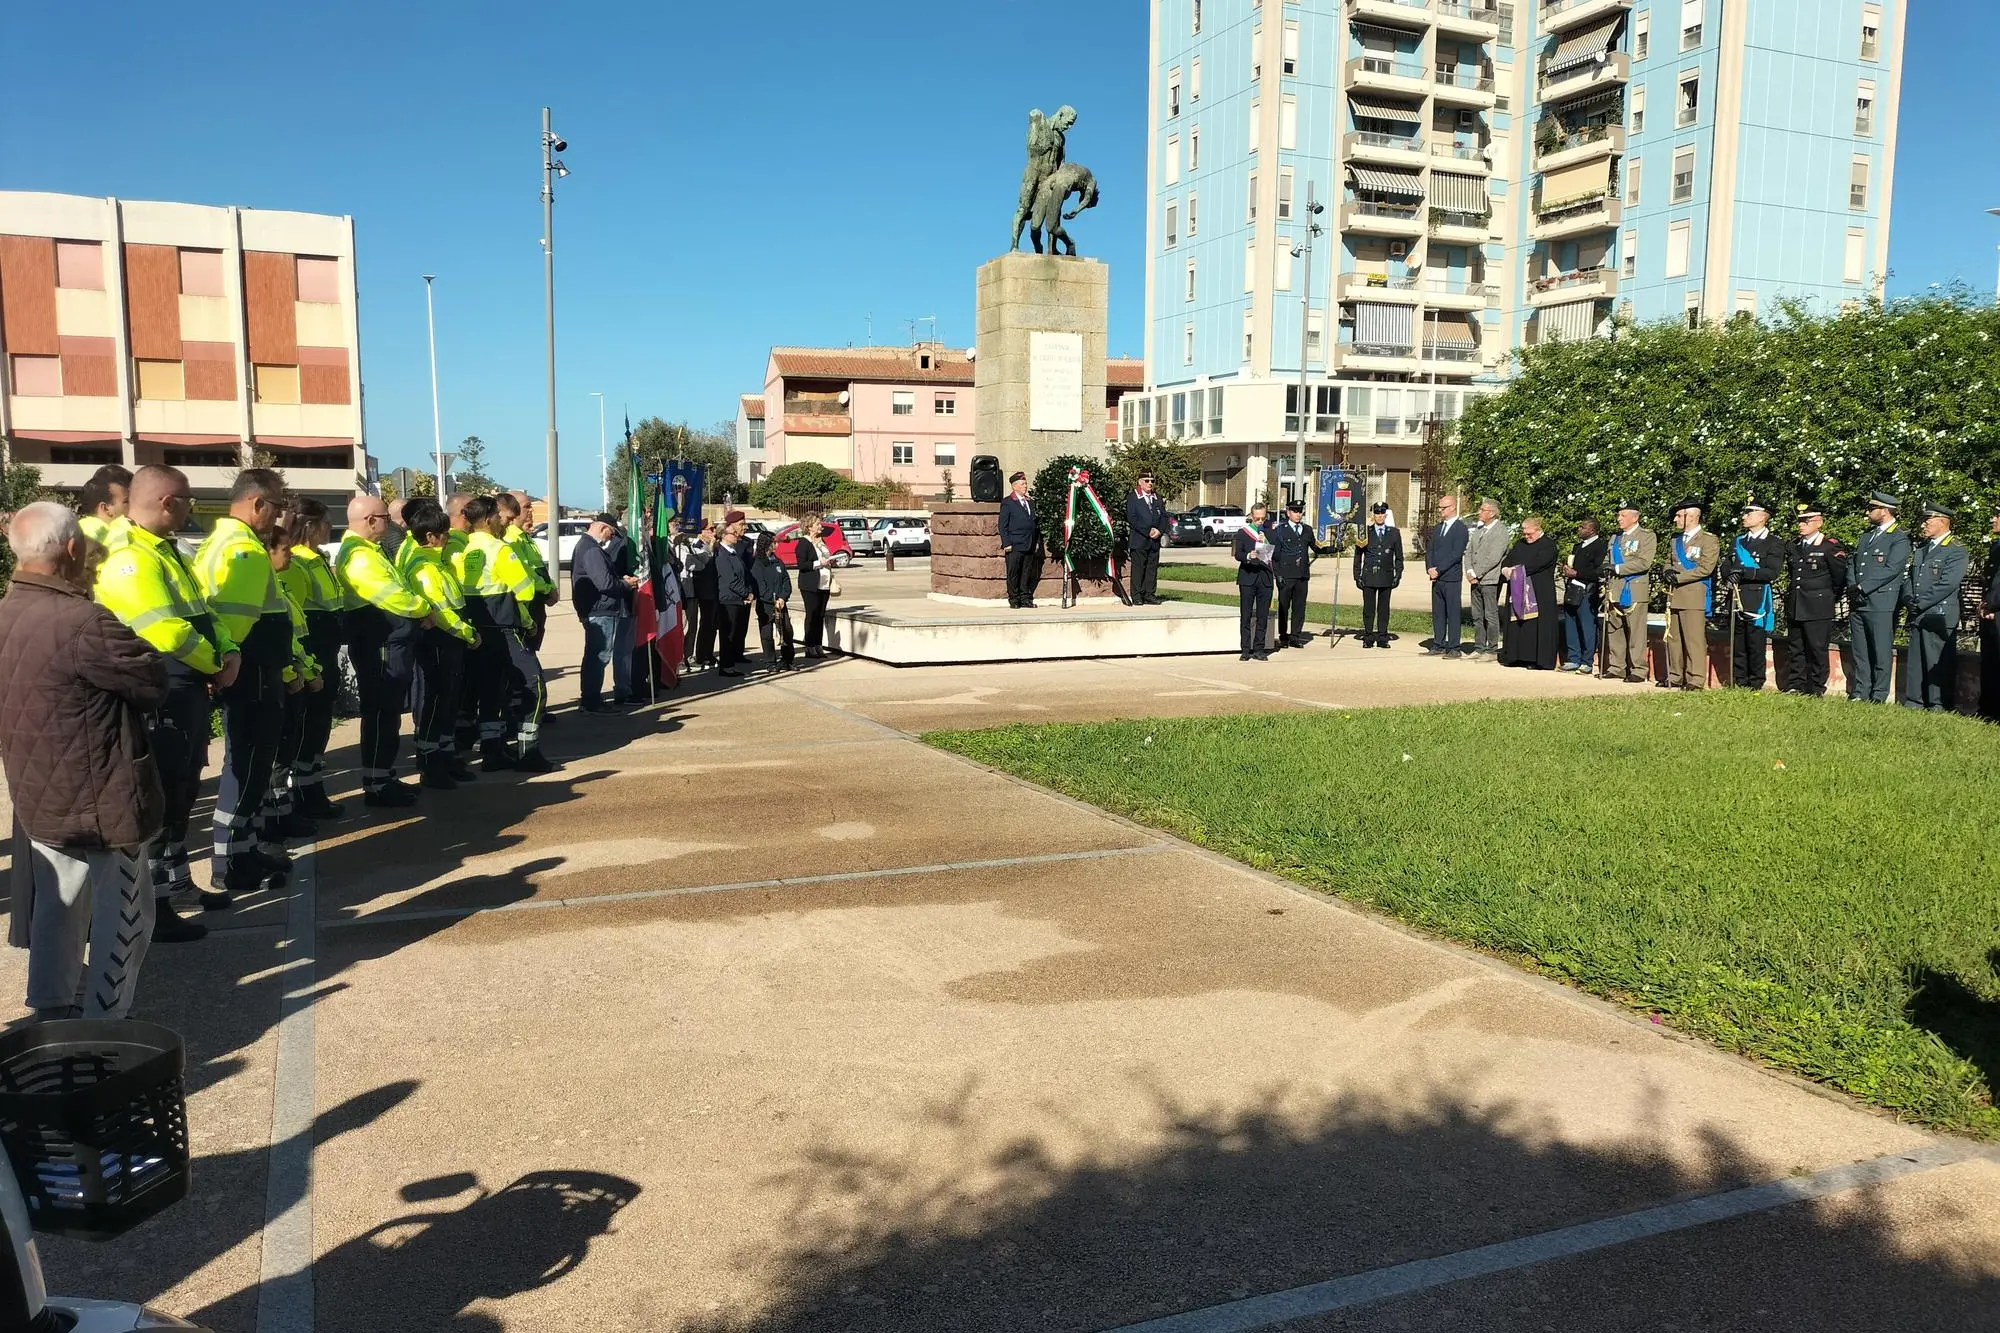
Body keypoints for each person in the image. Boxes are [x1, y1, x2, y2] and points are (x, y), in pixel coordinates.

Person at [0, 502, 167, 1018]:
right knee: (126, 914)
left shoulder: (6, 612)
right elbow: (151, 680)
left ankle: (51, 1009)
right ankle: (106, 1019)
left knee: (58, 904)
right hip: (100, 792)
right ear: (73, 548)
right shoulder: (84, 620)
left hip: (36, 787)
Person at [91, 466, 237, 944]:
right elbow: (163, 630)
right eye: (189, 500)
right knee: (159, 794)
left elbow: (203, 610)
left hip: (188, 679)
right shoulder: (129, 556)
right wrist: (216, 661)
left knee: (183, 787)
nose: (192, 508)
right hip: (163, 682)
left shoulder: (165, 550)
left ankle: (177, 885)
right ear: (169, 501)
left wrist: (227, 650)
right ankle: (152, 907)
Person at [194, 468, 300, 900]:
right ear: (258, 503)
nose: (279, 518)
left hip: (248, 672)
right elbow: (238, 621)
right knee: (249, 767)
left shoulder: (219, 543)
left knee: (245, 764)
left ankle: (243, 852)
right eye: (276, 507)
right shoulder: (245, 551)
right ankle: (233, 863)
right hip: (252, 674)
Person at [336, 494, 434, 805]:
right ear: (370, 521)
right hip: (378, 642)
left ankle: (384, 776)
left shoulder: (368, 550)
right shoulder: (359, 556)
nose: (388, 524)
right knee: (381, 712)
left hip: (385, 641)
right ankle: (377, 784)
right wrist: (422, 609)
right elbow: (390, 595)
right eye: (385, 518)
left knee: (388, 713)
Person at [459, 497, 556, 773]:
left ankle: (492, 750)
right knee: (533, 686)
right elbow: (524, 590)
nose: (504, 521)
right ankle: (529, 751)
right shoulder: (499, 549)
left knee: (490, 691)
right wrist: (527, 619)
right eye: (500, 517)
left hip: (480, 631)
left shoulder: (467, 550)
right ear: (489, 519)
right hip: (506, 628)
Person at [402, 498, 480, 784]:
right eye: (443, 533)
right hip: (438, 640)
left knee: (449, 699)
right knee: (436, 701)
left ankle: (446, 755)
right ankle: (431, 762)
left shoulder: (438, 562)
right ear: (430, 537)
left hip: (451, 640)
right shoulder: (424, 568)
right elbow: (440, 611)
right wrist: (467, 632)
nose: (448, 537)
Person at [284, 498, 348, 814]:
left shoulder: (314, 558)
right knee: (308, 728)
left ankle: (313, 791)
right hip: (313, 651)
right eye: (325, 522)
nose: (328, 528)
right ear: (310, 526)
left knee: (318, 726)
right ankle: (303, 796)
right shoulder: (295, 563)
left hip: (326, 648)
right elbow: (294, 617)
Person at [263, 514, 324, 842]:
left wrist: (308, 670)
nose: (289, 553)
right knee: (276, 758)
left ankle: (283, 814)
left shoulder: (280, 589)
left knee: (285, 754)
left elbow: (296, 640)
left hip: (295, 678)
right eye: (284, 549)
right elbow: (278, 644)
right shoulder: (269, 590)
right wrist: (293, 674)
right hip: (285, 682)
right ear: (268, 552)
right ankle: (275, 820)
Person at [1902, 502, 1969, 712]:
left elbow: (1948, 583)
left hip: (1939, 614)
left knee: (1936, 660)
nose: (1924, 524)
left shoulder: (1956, 550)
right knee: (1916, 659)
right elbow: (1910, 578)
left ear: (1942, 521)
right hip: (1918, 613)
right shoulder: (1922, 548)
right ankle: (1914, 701)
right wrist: (1908, 598)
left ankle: (1937, 704)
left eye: (1928, 520)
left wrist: (1920, 603)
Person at [1847, 490, 1911, 703]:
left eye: (1872, 508)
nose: (1868, 512)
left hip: (1880, 601)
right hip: (1859, 601)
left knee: (1881, 649)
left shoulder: (1899, 538)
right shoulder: (1867, 536)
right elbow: (1853, 563)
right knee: (1860, 649)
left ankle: (1879, 694)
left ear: (1884, 511)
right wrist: (1852, 586)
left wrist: (1863, 587)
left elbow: (1892, 568)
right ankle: (1860, 691)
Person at [572, 513, 637, 712]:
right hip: (600, 609)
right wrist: (625, 584)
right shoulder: (591, 550)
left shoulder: (588, 547)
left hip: (597, 608)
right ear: (602, 528)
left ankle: (591, 699)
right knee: (598, 656)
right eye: (611, 532)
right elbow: (605, 583)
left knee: (596, 656)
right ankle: (591, 701)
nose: (611, 537)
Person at [1781, 500, 1846, 697]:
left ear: (1819, 522)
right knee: (1796, 647)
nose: (1801, 525)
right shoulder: (1793, 545)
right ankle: (1796, 684)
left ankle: (1816, 686)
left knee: (1817, 648)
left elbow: (1839, 577)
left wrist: (1827, 597)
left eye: (1807, 521)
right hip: (1797, 603)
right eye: (1800, 521)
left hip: (1818, 605)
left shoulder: (1830, 547)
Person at [1721, 499, 1782, 689]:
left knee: (1755, 644)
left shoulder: (1773, 543)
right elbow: (1727, 563)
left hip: (1757, 598)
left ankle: (1755, 682)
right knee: (1738, 643)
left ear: (1763, 517)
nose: (1744, 517)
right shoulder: (1738, 540)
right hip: (1737, 596)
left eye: (1749, 513)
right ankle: (1739, 680)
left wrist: (1745, 572)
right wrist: (1728, 577)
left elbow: (1772, 572)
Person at [1660, 500, 1717, 691]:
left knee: (1694, 640)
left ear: (1691, 516)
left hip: (1693, 595)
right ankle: (1675, 676)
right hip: (1674, 594)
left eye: (1679, 515)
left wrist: (1679, 578)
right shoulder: (1675, 541)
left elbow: (1706, 568)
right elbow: (1668, 562)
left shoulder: (1708, 540)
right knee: (1674, 638)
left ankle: (1695, 679)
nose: (1675, 519)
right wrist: (1667, 572)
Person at [1601, 501, 1657, 683]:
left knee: (1636, 632)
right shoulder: (1615, 538)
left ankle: (1638, 670)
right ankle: (1617, 667)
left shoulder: (1646, 536)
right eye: (1619, 515)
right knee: (1614, 629)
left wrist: (1617, 568)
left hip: (1634, 588)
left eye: (1623, 515)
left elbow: (1643, 562)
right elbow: (1607, 560)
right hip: (1615, 588)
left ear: (1635, 517)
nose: (1619, 519)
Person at [1499, 515, 1561, 670]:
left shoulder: (1548, 545)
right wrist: (1506, 569)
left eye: (1529, 533)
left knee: (1535, 625)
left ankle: (1534, 659)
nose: (1526, 536)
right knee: (1517, 623)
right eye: (1524, 533)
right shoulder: (1520, 544)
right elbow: (1509, 559)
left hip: (1539, 591)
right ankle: (1515, 656)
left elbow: (1536, 564)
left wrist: (1517, 570)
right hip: (1517, 588)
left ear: (1538, 529)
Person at [499, 492, 555, 654]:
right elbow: (525, 571)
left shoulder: (524, 537)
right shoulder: (510, 539)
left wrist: (550, 586)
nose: (531, 511)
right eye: (526, 507)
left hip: (536, 602)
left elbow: (538, 567)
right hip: (525, 605)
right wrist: (547, 589)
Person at [1269, 500, 1323, 649]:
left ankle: (1295, 636)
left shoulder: (1307, 529)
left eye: (1300, 511)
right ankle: (1283, 636)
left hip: (1302, 575)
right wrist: (1278, 575)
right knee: (1284, 607)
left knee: (1299, 607)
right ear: (1288, 513)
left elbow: (1316, 547)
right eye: (1295, 511)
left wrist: (1334, 548)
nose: (1298, 514)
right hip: (1286, 575)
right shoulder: (1280, 530)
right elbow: (1275, 556)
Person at [1352, 502, 1403, 649]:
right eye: (1377, 513)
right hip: (1369, 576)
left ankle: (1382, 637)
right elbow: (1358, 556)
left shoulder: (1394, 533)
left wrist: (1397, 574)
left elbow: (1399, 556)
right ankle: (1368, 636)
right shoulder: (1365, 533)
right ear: (1372, 515)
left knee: (1384, 609)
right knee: (1368, 609)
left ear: (1386, 515)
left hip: (1386, 576)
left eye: (1382, 513)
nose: (1379, 516)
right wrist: (1357, 575)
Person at [1558, 518, 1604, 673]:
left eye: (1582, 527)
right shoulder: (1577, 546)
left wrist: (1578, 573)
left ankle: (1587, 661)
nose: (1579, 529)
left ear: (1592, 530)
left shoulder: (1600, 546)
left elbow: (1599, 571)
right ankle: (1573, 658)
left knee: (1587, 625)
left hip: (1588, 590)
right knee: (1571, 623)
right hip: (1573, 589)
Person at [1425, 495, 1468, 659]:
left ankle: (1454, 647)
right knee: (1438, 612)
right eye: (1440, 508)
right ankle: (1438, 644)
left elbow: (1456, 554)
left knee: (1453, 613)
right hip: (1437, 578)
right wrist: (1429, 568)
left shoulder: (1460, 528)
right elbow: (1430, 550)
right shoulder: (1438, 528)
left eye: (1443, 508)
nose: (1441, 511)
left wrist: (1440, 569)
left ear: (1452, 507)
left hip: (1451, 577)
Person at [1464, 499, 1509, 657]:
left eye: (1483, 510)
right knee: (1477, 615)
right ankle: (1479, 647)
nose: (1479, 512)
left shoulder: (1501, 531)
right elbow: (1469, 551)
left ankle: (1492, 648)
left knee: (1490, 614)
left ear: (1492, 513)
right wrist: (1469, 571)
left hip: (1490, 579)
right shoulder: (1479, 529)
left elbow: (1494, 557)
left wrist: (1477, 573)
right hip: (1474, 579)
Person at [712, 512, 754, 677]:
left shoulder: (733, 552)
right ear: (724, 535)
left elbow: (744, 573)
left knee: (735, 631)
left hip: (737, 598)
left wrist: (749, 591)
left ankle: (730, 663)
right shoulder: (722, 554)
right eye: (733, 533)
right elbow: (730, 579)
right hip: (728, 598)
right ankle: (726, 666)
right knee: (728, 633)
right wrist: (745, 594)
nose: (737, 535)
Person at [1234, 502, 1275, 662]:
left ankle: (1259, 649)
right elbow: (1238, 554)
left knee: (1262, 616)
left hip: (1265, 578)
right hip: (1248, 577)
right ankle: (1245, 649)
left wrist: (1265, 543)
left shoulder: (1270, 533)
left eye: (1263, 518)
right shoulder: (1243, 533)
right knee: (1245, 615)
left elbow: (1276, 554)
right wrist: (1247, 556)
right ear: (1251, 517)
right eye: (1257, 518)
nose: (1260, 521)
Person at [751, 531, 797, 671]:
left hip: (780, 603)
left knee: (787, 631)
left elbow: (785, 581)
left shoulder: (778, 561)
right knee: (767, 634)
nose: (776, 545)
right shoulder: (758, 564)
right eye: (773, 542)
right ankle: (770, 662)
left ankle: (787, 660)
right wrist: (772, 600)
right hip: (766, 604)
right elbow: (760, 586)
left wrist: (783, 597)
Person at [1124, 472, 1168, 606]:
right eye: (1147, 480)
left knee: (1152, 568)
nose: (1150, 483)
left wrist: (1159, 530)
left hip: (1154, 540)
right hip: (1139, 539)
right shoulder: (1133, 497)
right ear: (1140, 482)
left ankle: (1149, 594)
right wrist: (1147, 530)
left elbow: (1164, 517)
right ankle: (1137, 595)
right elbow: (1132, 518)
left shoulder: (1157, 498)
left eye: (1152, 481)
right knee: (1138, 569)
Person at [999, 472, 1041, 609]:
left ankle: (1025, 598)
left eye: (1026, 483)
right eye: (1022, 484)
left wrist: (1036, 542)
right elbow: (1002, 525)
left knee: (1026, 573)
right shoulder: (1008, 502)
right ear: (1014, 486)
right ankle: (1014, 599)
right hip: (1015, 545)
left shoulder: (1030, 502)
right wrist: (1007, 543)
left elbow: (1034, 524)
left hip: (1029, 543)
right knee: (1013, 573)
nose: (1025, 486)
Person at [795, 521, 833, 659]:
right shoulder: (803, 543)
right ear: (809, 526)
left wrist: (830, 561)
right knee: (812, 615)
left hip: (824, 584)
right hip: (810, 585)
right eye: (817, 523)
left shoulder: (821, 541)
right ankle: (809, 646)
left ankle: (818, 644)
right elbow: (802, 565)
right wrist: (819, 563)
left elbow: (826, 556)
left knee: (820, 616)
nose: (820, 526)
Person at [75, 464, 134, 552]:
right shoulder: (122, 533)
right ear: (105, 508)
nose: (133, 505)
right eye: (127, 501)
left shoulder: (79, 530)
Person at [688, 519, 722, 668]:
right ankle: (702, 654)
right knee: (706, 623)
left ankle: (709, 653)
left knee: (713, 623)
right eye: (710, 529)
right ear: (701, 531)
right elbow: (703, 567)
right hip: (703, 590)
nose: (713, 532)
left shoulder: (714, 546)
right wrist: (710, 548)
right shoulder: (697, 545)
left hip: (714, 588)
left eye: (713, 529)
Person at [1982, 502, 2000, 723]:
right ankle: (1990, 709)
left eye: (1997, 515)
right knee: (1991, 663)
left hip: (1997, 609)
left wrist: (1992, 604)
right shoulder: (1996, 546)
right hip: (1991, 609)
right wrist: (1985, 603)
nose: (1993, 519)